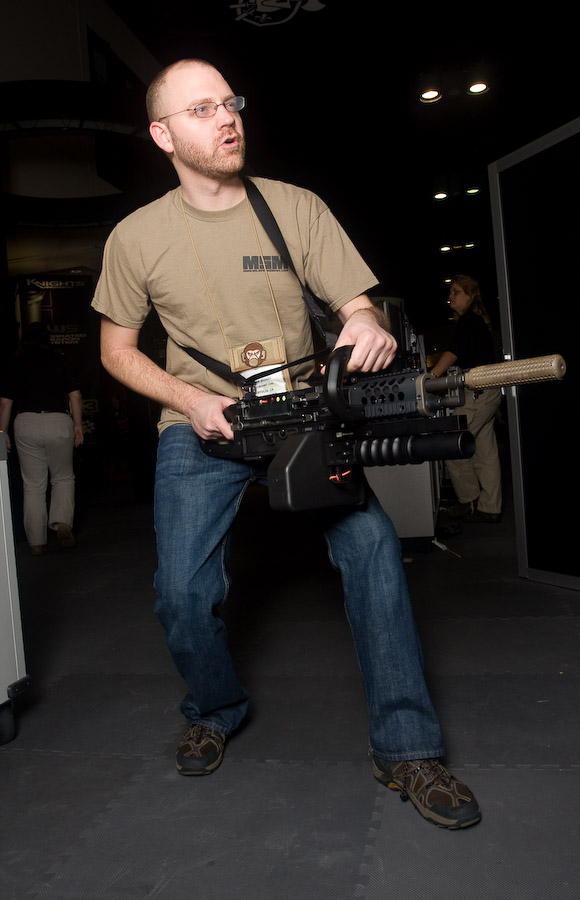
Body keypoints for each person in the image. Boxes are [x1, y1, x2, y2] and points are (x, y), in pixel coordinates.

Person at [91, 58, 481, 829]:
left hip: (305, 414)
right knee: (181, 595)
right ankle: (215, 707)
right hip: (200, 422)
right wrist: (189, 400)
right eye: (202, 109)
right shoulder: (135, 237)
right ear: (162, 135)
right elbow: (115, 351)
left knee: (374, 553)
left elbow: (355, 306)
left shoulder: (293, 208)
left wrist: (364, 325)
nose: (227, 118)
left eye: (230, 102)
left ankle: (407, 748)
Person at [0, 322, 84, 554]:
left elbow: (5, 403)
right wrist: (78, 425)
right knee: (63, 478)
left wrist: (2, 433)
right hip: (58, 421)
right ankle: (62, 522)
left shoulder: (16, 363)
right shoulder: (61, 360)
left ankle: (36, 541)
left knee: (33, 485)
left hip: (26, 422)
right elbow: (75, 396)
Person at [430, 275, 502, 523]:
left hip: (478, 392)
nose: (450, 296)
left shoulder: (469, 320)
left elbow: (454, 352)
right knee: (485, 452)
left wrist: (430, 378)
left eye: (456, 291)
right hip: (488, 391)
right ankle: (490, 508)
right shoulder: (477, 321)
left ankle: (469, 500)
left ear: (470, 296)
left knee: (453, 443)